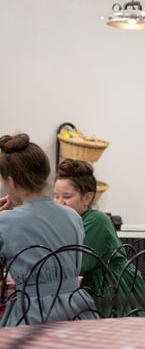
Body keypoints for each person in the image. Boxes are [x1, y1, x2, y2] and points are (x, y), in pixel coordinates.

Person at [0, 133, 96, 326]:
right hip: (78, 310)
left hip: (33, 314)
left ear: (10, 181)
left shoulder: (6, 221)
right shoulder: (73, 216)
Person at [54, 158, 145, 316]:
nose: (59, 203)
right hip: (88, 293)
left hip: (113, 295)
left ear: (87, 198)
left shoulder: (96, 220)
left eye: (67, 197)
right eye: (56, 196)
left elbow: (72, 265)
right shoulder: (67, 223)